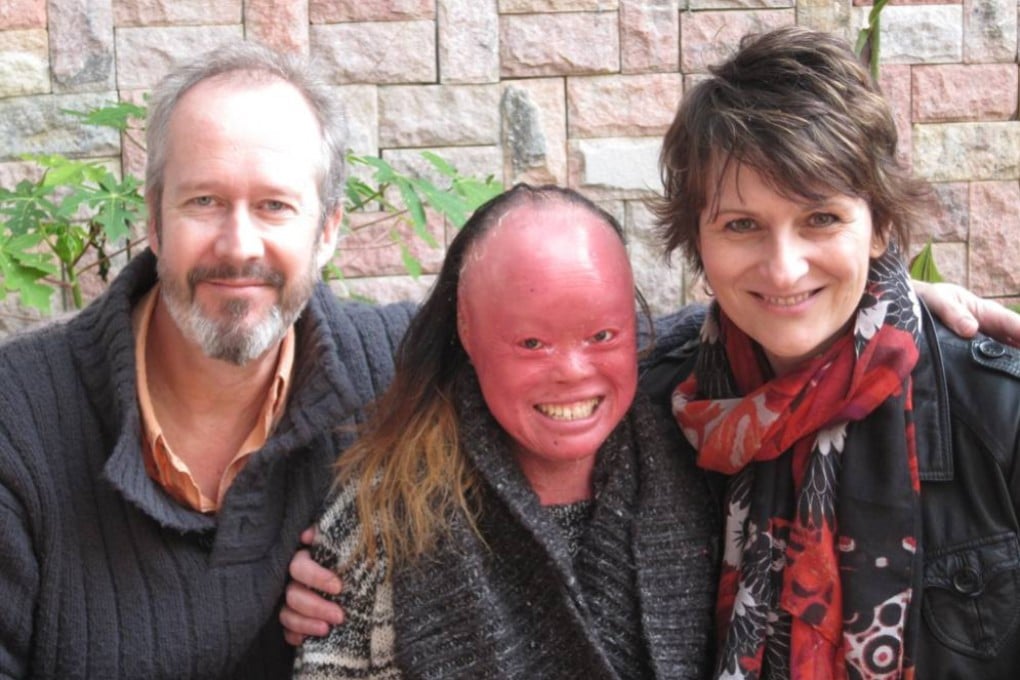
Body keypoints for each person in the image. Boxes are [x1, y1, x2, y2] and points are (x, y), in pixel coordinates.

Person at [0, 43, 414, 678]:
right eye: (204, 202)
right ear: (156, 223)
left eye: (274, 205)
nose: (238, 245)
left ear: (327, 229)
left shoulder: (402, 374)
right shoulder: (18, 419)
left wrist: (402, 591)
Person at [651, 26, 1020, 678]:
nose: (785, 269)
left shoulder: (998, 415)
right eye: (742, 225)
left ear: (878, 225)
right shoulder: (657, 414)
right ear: (699, 245)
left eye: (821, 218)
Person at [291, 183, 720, 678]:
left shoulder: (704, 470)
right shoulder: (382, 516)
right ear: (467, 332)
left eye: (602, 336)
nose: (573, 371)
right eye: (532, 343)